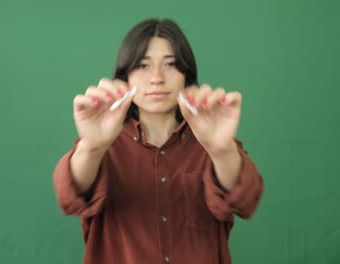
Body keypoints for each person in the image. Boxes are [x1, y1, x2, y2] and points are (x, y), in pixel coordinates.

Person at [53, 18, 263, 264]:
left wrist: (221, 149)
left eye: (171, 65)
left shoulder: (210, 141)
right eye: (142, 66)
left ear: (187, 75)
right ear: (125, 76)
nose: (157, 78)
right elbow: (69, 196)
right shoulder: (102, 145)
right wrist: (91, 148)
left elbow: (246, 198)